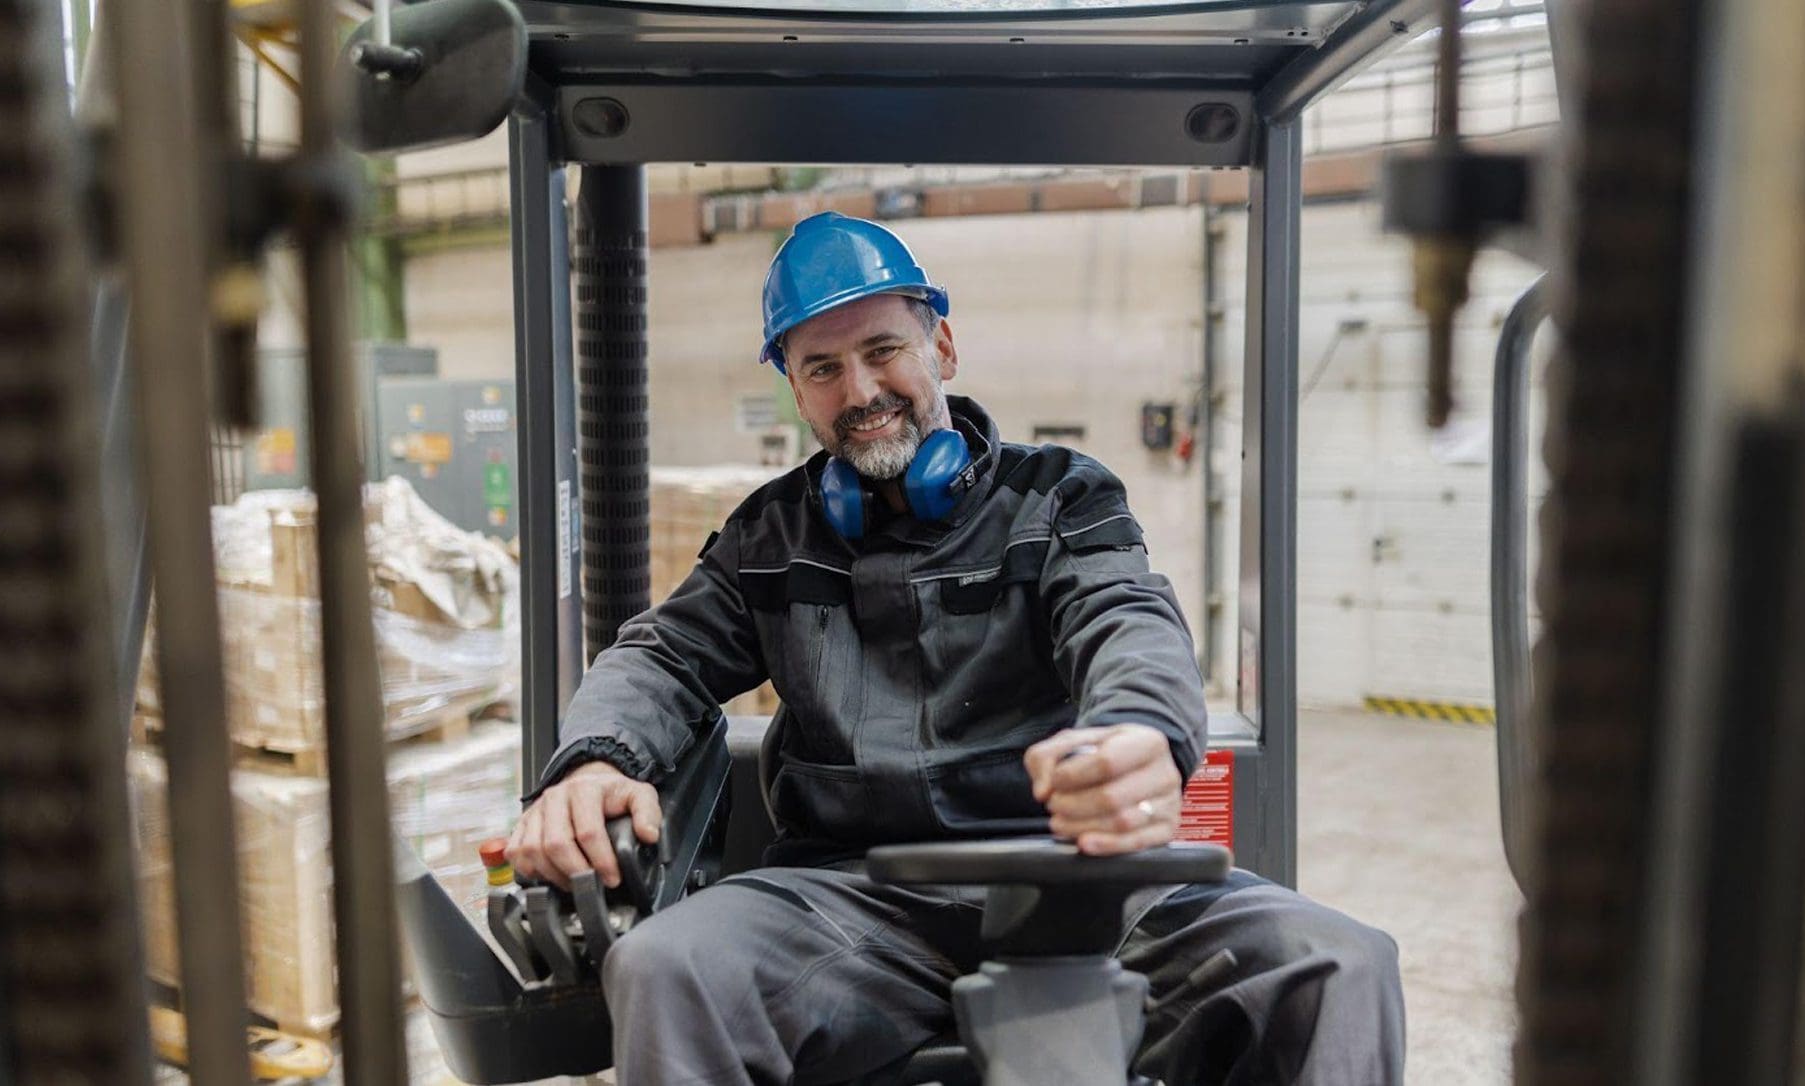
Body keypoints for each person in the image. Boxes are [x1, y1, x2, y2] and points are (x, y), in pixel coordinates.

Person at [507, 212, 1405, 1084]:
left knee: (1336, 964)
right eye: (822, 367)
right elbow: (662, 655)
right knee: (665, 969)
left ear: (940, 348)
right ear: (795, 388)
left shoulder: (1057, 498)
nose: (858, 392)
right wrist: (592, 762)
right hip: (849, 902)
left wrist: (1141, 731)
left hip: (1085, 884)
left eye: (882, 350)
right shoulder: (769, 535)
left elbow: (1125, 616)